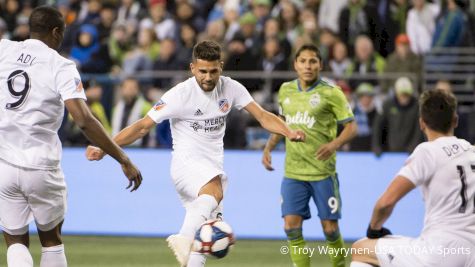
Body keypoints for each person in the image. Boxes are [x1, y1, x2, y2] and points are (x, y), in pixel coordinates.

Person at [86, 40, 305, 267]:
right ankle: (183, 237)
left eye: (213, 71)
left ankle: (190, 244)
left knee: (204, 237)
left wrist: (288, 132)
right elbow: (142, 126)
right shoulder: (180, 94)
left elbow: (262, 116)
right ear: (192, 68)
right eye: (202, 71)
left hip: (211, 164)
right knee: (214, 191)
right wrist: (105, 148)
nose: (208, 77)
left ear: (221, 66)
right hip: (186, 165)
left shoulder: (231, 88)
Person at [0, 6, 143, 267]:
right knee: (51, 239)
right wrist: (122, 158)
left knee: (14, 239)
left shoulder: (4, 50)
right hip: (41, 165)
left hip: (5, 163)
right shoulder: (61, 65)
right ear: (56, 32)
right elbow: (84, 120)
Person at [350, 89, 475, 267]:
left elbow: (386, 203)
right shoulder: (471, 151)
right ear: (455, 120)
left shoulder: (428, 151)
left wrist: (374, 229)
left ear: (422, 123)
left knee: (360, 248)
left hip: (441, 251)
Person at [262, 44, 357, 267]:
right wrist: (268, 148)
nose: (308, 65)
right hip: (293, 173)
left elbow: (352, 127)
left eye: (313, 61)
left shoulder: (331, 92)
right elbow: (282, 123)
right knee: (290, 227)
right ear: (295, 65)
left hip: (322, 172)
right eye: (303, 61)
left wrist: (333, 145)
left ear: (320, 65)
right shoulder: (286, 90)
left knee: (330, 229)